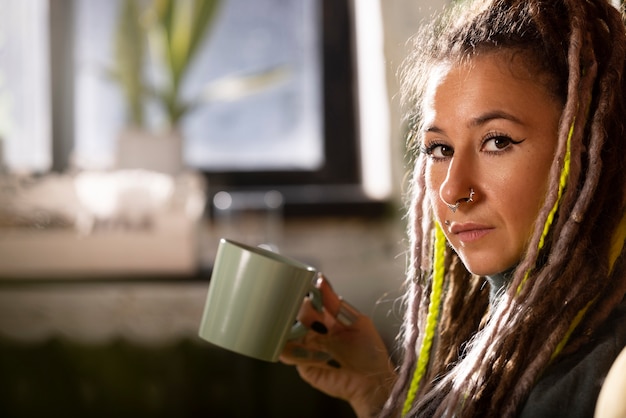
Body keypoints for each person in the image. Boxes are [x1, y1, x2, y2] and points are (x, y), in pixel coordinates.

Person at [279, 0, 626, 417]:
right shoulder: (502, 330)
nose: (452, 190)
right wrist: (374, 391)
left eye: (497, 141)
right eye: (440, 149)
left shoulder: (611, 376)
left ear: (590, 146)